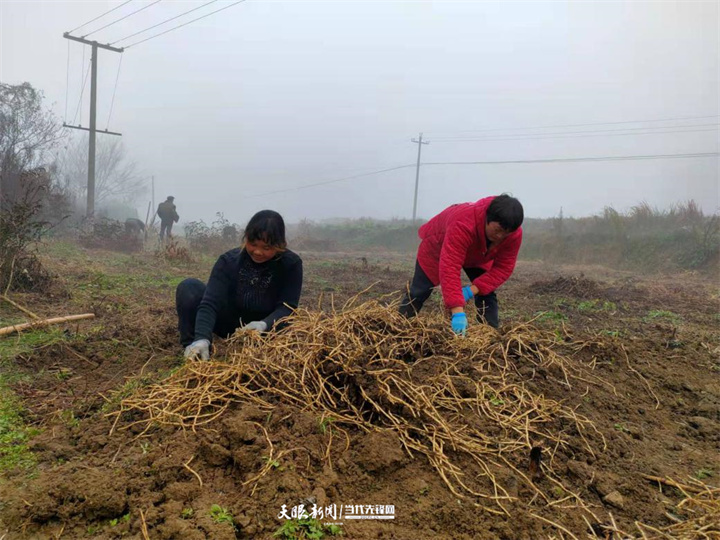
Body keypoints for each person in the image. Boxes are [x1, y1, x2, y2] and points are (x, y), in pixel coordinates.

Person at [176, 210, 303, 360]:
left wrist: (264, 324)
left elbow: (288, 307)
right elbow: (210, 302)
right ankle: (195, 349)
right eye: (252, 244)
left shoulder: (291, 264)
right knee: (189, 287)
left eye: (266, 248)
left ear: (280, 245)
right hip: (230, 324)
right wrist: (202, 337)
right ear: (245, 238)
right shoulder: (228, 261)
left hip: (264, 331)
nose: (257, 251)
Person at [399, 194, 523, 335]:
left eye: (506, 233)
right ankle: (398, 328)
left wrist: (472, 290)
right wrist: (457, 312)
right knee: (419, 291)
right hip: (437, 246)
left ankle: (491, 336)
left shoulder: (514, 234)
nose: (500, 236)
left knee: (487, 294)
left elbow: (503, 268)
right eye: (497, 230)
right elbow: (450, 267)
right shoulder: (463, 222)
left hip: (477, 254)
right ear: (487, 218)